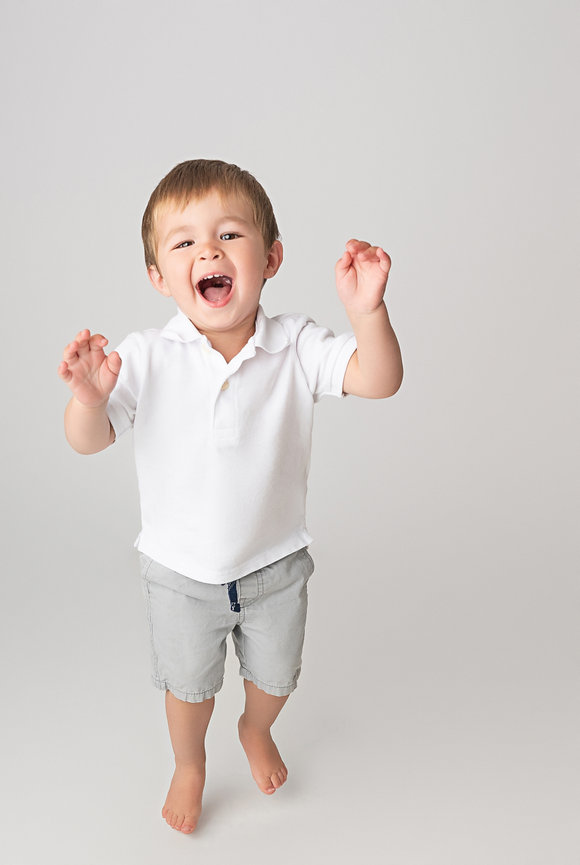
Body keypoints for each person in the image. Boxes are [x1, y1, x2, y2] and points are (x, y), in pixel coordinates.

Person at [57, 159, 403, 834]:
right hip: (181, 573)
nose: (208, 251)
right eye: (183, 242)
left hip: (274, 563)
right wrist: (88, 400)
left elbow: (379, 379)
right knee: (189, 690)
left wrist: (369, 314)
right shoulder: (147, 356)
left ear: (270, 257)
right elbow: (88, 440)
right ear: (159, 275)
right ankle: (189, 763)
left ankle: (255, 725)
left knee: (276, 677)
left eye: (229, 236)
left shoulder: (297, 345)